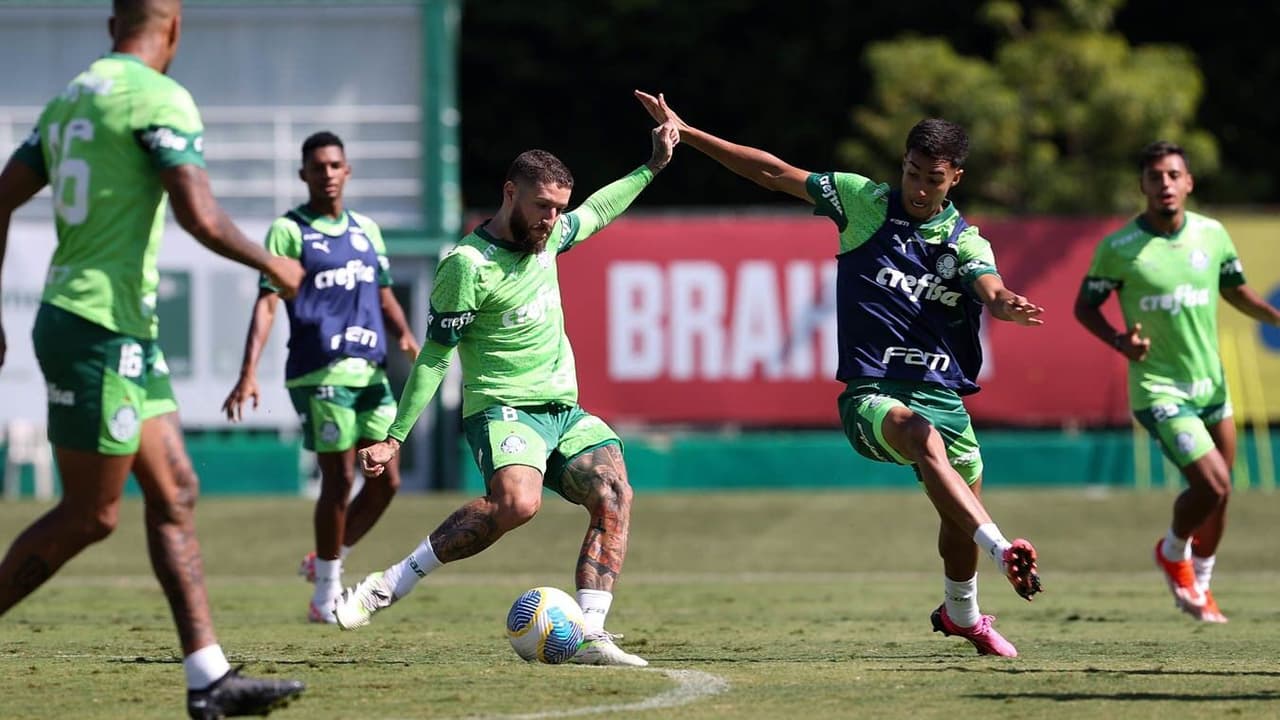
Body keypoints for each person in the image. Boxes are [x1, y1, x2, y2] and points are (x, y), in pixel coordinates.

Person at [634, 91, 1043, 657]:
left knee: (957, 513)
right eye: (912, 173)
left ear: (957, 179)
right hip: (871, 395)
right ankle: (1003, 552)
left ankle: (961, 613)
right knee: (923, 442)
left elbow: (987, 285)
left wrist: (1001, 303)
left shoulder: (965, 239)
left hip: (943, 396)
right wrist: (689, 131)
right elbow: (772, 172)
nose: (920, 189)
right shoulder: (862, 201)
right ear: (902, 164)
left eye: (934, 179)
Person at [0, 1, 307, 717]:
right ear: (174, 29)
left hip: (118, 330)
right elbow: (198, 214)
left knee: (176, 492)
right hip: (96, 327)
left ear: (114, 27)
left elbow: (0, 199)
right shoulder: (160, 97)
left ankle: (209, 680)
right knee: (90, 515)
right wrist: (273, 265)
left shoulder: (73, 96)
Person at [330, 120, 680, 667]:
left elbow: (602, 209)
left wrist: (653, 164)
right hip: (502, 408)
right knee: (518, 504)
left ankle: (590, 632)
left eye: (559, 208)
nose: (553, 219)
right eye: (543, 205)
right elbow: (435, 357)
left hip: (564, 410)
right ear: (510, 192)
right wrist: (395, 439)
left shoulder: (554, 236)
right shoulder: (465, 266)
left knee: (614, 494)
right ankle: (389, 583)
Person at [1074, 141, 1280, 624]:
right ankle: (1172, 551)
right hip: (1160, 389)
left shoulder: (1212, 235)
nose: (1164, 184)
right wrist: (1120, 341)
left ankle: (1201, 585)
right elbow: (1084, 307)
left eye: (1173, 175)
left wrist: (1273, 315)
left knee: (1221, 495)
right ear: (1143, 186)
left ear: (1188, 182)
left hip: (1211, 387)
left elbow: (1235, 291)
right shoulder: (1120, 248)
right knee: (1213, 483)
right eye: (1154, 176)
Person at [222, 131, 419, 624]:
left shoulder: (366, 231)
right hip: (319, 372)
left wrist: (406, 337)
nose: (327, 174)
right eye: (318, 167)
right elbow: (268, 301)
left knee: (386, 479)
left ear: (346, 171)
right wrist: (248, 371)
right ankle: (325, 594)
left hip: (370, 370)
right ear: (304, 175)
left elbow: (383, 292)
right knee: (339, 477)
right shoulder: (289, 232)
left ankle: (327, 558)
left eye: (335, 165)